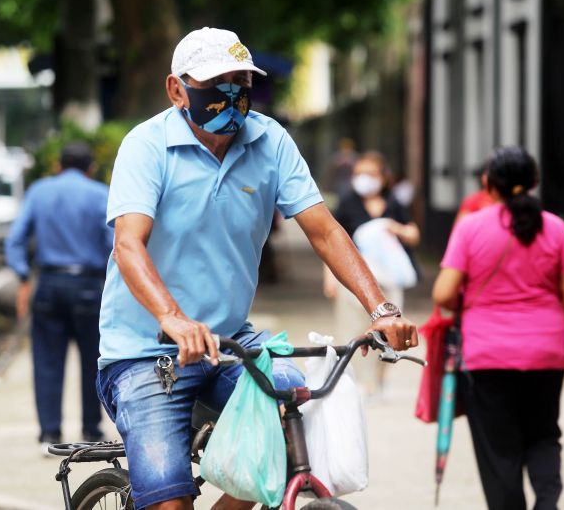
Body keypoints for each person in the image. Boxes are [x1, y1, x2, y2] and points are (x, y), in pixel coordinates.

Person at [96, 27, 417, 510]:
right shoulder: (146, 146)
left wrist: (382, 308)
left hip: (231, 343)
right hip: (145, 352)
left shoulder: (270, 141)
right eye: (215, 84)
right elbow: (128, 246)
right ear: (176, 89)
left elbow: (325, 231)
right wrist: (172, 318)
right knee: (169, 500)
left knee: (298, 429)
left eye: (240, 83)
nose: (231, 95)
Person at [432, 146, 564, 510]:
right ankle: (546, 502)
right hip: (546, 355)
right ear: (535, 183)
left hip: (487, 357)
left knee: (499, 450)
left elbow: (444, 293)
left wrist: (476, 304)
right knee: (543, 435)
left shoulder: (471, 228)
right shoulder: (555, 228)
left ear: (487, 184)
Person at [4, 142, 112, 453]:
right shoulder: (100, 194)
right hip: (91, 286)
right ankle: (91, 430)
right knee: (95, 360)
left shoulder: (39, 191)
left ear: (57, 166)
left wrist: (24, 274)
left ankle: (50, 434)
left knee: (48, 361)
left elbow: (15, 240)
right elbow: (115, 244)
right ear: (91, 168)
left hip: (49, 282)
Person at [324, 151, 420, 395]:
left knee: (390, 327)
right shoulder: (347, 202)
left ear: (383, 177)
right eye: (359, 174)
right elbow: (330, 241)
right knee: (353, 329)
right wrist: (330, 278)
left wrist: (393, 228)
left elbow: (413, 234)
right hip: (353, 279)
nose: (364, 179)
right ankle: (362, 382)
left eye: (370, 174)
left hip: (388, 278)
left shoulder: (394, 203)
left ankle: (380, 379)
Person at [325, 137, 359, 201]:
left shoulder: (356, 158)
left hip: (352, 184)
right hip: (339, 185)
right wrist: (327, 187)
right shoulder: (336, 158)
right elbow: (329, 174)